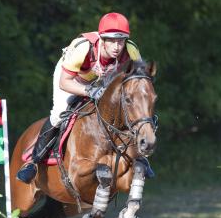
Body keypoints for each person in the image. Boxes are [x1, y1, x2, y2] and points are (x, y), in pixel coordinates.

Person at [17, 12, 142, 184]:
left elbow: (138, 83)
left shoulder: (131, 50)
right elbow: (64, 82)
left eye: (121, 40)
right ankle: (34, 162)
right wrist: (90, 92)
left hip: (103, 82)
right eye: (111, 40)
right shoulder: (84, 47)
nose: (117, 46)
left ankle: (139, 159)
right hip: (71, 78)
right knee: (59, 112)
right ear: (101, 38)